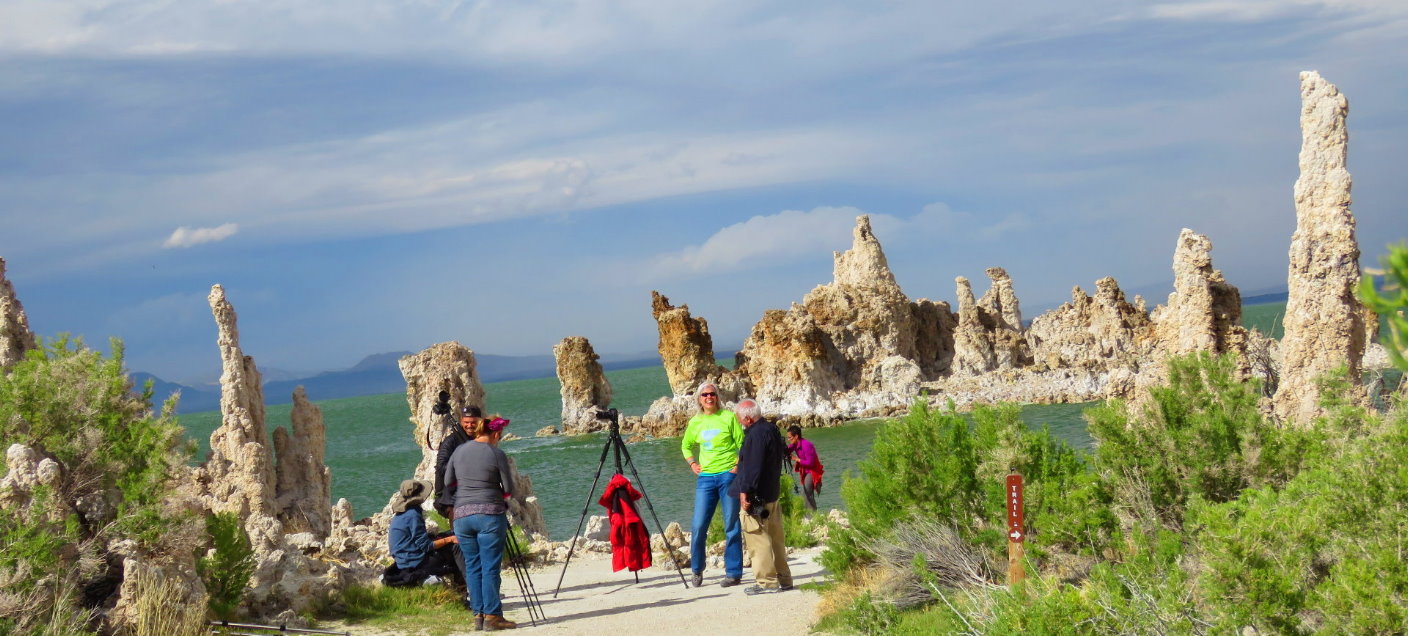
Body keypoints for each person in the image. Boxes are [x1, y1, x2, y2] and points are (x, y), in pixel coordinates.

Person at [445, 415, 518, 631]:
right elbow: (508, 489)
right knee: (490, 567)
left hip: (462, 516)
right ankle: (493, 616)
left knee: (473, 566)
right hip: (489, 514)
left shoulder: (459, 451)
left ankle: (478, 614)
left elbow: (449, 482)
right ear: (496, 434)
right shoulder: (496, 453)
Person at [680, 381, 745, 588]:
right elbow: (686, 445)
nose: (709, 398)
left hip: (728, 476)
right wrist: (692, 463)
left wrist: (736, 466)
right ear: (699, 399)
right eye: (705, 395)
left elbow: (742, 443)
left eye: (712, 394)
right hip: (706, 478)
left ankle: (733, 573)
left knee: (731, 525)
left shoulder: (728, 417)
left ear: (717, 397)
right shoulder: (695, 422)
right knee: (698, 526)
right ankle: (697, 569)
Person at [731, 399, 794, 595]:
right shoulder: (771, 429)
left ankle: (767, 582)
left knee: (757, 538)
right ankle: (784, 579)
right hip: (772, 492)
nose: (740, 422)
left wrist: (745, 492)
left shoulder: (755, 435)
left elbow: (752, 467)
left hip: (757, 496)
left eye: (740, 419)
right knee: (776, 537)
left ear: (748, 418)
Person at [384, 479, 466, 588]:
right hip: (414, 563)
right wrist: (449, 539)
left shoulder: (403, 512)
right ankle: (463, 583)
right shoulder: (413, 514)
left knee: (448, 535)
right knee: (455, 546)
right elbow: (426, 546)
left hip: (403, 560)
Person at [434, 405, 483, 519]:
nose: (469, 426)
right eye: (466, 422)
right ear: (461, 421)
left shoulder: (481, 440)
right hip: (453, 499)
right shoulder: (451, 441)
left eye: (473, 422)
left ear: (480, 422)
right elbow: (441, 467)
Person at [786, 425, 824, 512]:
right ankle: (812, 514)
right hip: (805, 470)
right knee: (806, 493)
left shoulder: (807, 445)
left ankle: (812, 516)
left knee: (806, 492)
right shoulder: (795, 444)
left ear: (796, 436)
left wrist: (796, 459)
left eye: (790, 438)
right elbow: (787, 450)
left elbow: (810, 463)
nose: (789, 440)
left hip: (812, 471)